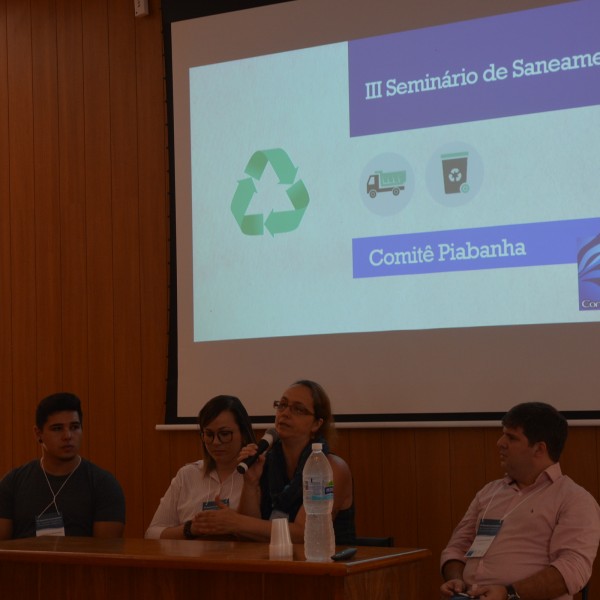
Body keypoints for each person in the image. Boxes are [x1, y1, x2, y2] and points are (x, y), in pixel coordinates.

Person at [440, 402, 600, 600]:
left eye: (511, 437)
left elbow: (573, 568)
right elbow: (456, 549)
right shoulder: (488, 492)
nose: (500, 443)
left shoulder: (574, 499)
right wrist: (456, 580)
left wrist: (509, 594)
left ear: (539, 449)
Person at [191, 379, 356, 545]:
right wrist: (251, 483)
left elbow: (305, 533)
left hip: (328, 565)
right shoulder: (266, 461)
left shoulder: (331, 467)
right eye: (282, 405)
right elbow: (247, 535)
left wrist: (236, 522)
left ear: (316, 424)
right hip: (274, 563)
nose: (284, 413)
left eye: (298, 409)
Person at [0, 392, 125, 539]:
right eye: (57, 428)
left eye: (74, 427)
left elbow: (106, 554)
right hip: (24, 562)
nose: (68, 436)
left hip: (80, 562)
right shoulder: (13, 482)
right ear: (38, 433)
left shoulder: (104, 484)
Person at [145, 394, 256, 539]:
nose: (216, 442)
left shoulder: (257, 474)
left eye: (224, 434)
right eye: (209, 434)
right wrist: (190, 529)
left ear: (243, 434)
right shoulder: (187, 475)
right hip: (191, 559)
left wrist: (235, 523)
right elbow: (152, 534)